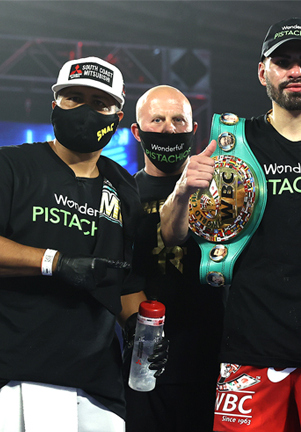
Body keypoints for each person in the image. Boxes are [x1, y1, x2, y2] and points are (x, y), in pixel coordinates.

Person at [160, 17, 301, 432]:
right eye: (283, 61)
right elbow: (173, 235)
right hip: (251, 346)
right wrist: (182, 193)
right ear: (263, 71)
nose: (295, 71)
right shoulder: (233, 143)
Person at [0, 56, 142, 431]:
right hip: (12, 374)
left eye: (100, 103)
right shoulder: (8, 164)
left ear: (118, 116)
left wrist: (139, 327)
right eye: (75, 97)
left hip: (99, 386)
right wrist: (56, 262)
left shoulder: (125, 187)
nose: (87, 110)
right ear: (54, 103)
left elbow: (125, 282)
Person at [120, 85, 224, 431]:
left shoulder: (226, 195)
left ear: (194, 130)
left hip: (214, 362)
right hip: (144, 368)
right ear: (137, 131)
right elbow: (117, 275)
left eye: (179, 120)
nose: (168, 129)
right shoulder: (123, 196)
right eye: (158, 120)